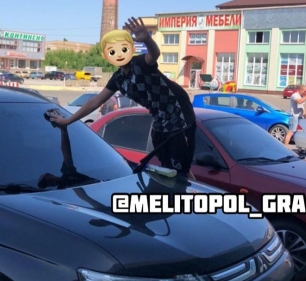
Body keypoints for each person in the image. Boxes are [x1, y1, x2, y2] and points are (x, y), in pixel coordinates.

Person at [49, 17, 197, 178]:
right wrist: (68, 121)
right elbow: (96, 101)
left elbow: (154, 54)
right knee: (170, 167)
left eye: (123, 49)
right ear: (106, 56)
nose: (119, 54)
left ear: (131, 49)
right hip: (159, 118)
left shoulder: (140, 63)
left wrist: (147, 40)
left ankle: (189, 190)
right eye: (112, 51)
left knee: (180, 168)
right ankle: (184, 188)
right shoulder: (118, 78)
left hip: (179, 112)